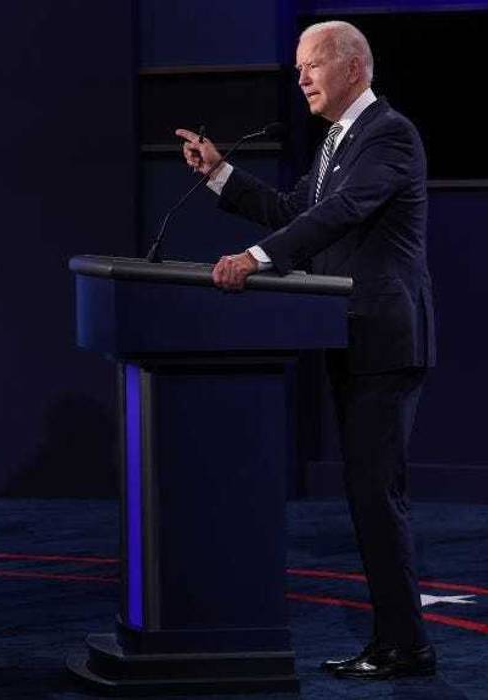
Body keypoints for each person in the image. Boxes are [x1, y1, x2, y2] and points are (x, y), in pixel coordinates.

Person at [176, 21, 436, 680]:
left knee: (375, 495)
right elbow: (297, 208)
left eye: (308, 67)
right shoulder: (334, 142)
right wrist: (221, 176)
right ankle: (397, 639)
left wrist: (256, 259)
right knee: (366, 494)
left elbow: (342, 211)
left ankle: (404, 645)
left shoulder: (388, 135)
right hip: (348, 337)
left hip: (384, 340)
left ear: (350, 66)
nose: (300, 81)